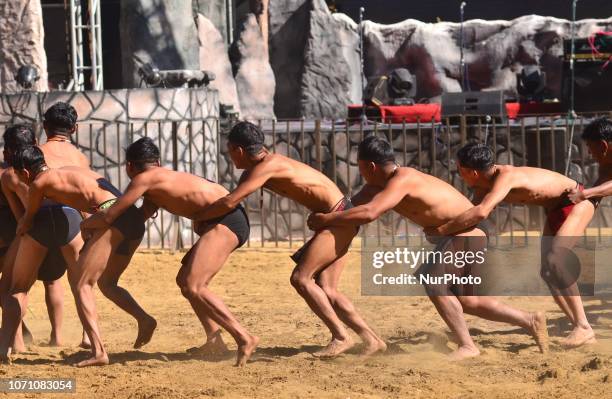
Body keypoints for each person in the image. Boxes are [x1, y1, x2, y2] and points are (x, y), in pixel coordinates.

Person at [307, 136, 548, 360]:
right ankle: (529, 320)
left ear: (370, 167)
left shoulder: (404, 179)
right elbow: (349, 208)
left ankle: (468, 346)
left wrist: (326, 221)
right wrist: (325, 215)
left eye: (360, 168)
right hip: (463, 235)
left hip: (466, 233)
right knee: (470, 302)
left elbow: (370, 213)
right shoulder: (378, 186)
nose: (360, 173)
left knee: (434, 281)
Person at [194, 121, 386, 358]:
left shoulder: (268, 166)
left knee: (301, 279)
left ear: (238, 150)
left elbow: (230, 202)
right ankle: (372, 340)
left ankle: (340, 336)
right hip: (339, 216)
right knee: (328, 288)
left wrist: (198, 216)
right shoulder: (263, 166)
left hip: (337, 218)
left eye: (230, 151)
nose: (231, 157)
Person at [82, 137, 257, 366]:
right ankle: (214, 340)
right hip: (227, 219)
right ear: (157, 161)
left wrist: (84, 225)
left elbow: (111, 215)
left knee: (195, 285)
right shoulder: (159, 179)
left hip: (228, 220)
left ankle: (244, 337)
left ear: (129, 167)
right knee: (185, 281)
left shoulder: (143, 179)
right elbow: (138, 217)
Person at [429, 142, 595, 348]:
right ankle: (580, 328)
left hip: (576, 203)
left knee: (556, 261)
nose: (458, 174)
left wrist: (441, 230)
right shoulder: (484, 185)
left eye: (459, 170)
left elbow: (481, 212)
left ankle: (584, 327)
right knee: (548, 271)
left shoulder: (507, 176)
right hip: (555, 209)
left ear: (471, 172)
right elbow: (469, 213)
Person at [0, 146, 148, 366]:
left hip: (108, 215)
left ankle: (4, 349)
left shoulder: (38, 184)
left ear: (25, 173)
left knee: (22, 288)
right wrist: (87, 225)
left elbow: (28, 220)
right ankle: (128, 325)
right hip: (117, 214)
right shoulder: (68, 170)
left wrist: (18, 236)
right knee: (99, 283)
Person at [0, 124, 83, 350]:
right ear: (36, 144)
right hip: (65, 225)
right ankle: (60, 337)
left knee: (13, 288)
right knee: (59, 282)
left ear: (7, 151)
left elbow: (22, 219)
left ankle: (17, 344)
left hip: (33, 231)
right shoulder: (53, 165)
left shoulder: (8, 175)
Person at [568, 117, 612, 204]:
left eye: (590, 146)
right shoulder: (605, 164)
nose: (589, 152)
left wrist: (584, 194)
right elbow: (600, 188)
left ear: (603, 146)